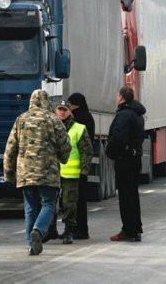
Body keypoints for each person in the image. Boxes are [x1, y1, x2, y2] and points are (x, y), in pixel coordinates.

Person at [3, 89, 71, 256]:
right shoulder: (53, 120)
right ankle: (39, 231)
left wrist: (9, 173)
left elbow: (10, 148)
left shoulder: (21, 119)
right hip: (48, 172)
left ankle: (31, 246)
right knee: (48, 204)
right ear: (47, 102)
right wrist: (63, 158)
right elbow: (65, 145)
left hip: (25, 173)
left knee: (30, 207)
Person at [105, 86, 146, 242]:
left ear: (121, 98)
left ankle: (128, 230)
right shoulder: (137, 114)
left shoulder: (124, 115)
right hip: (135, 158)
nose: (116, 98)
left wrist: (110, 152)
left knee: (125, 196)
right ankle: (136, 228)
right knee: (133, 195)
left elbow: (118, 138)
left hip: (125, 159)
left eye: (117, 95)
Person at [54, 100, 93, 244]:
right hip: (52, 173)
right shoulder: (50, 127)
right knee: (51, 203)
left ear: (70, 111)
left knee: (69, 204)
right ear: (55, 111)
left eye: (65, 109)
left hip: (71, 174)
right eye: (60, 109)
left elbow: (86, 151)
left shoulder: (79, 128)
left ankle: (69, 231)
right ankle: (51, 230)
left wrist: (84, 171)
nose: (62, 112)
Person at [67, 92, 95, 239]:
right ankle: (79, 229)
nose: (69, 107)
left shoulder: (78, 119)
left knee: (77, 200)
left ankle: (80, 230)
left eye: (70, 104)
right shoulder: (88, 117)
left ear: (76, 104)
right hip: (81, 165)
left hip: (76, 166)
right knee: (78, 200)